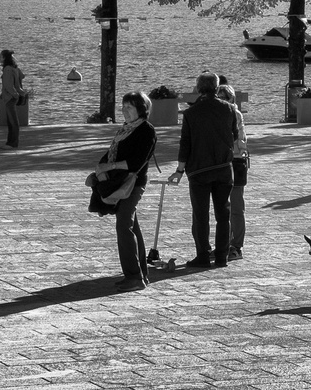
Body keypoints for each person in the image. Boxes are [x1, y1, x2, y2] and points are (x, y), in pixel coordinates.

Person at [87, 91, 158, 289]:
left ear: (141, 109)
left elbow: (136, 162)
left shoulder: (146, 130)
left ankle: (134, 277)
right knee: (131, 226)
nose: (125, 111)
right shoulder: (126, 129)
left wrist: (109, 167)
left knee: (124, 225)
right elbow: (111, 152)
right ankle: (141, 274)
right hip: (120, 182)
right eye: (123, 107)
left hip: (132, 184)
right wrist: (100, 168)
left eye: (129, 107)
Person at [170, 72, 239, 268]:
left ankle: (202, 255)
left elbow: (186, 144)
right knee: (223, 214)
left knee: (200, 215)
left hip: (199, 171)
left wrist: (180, 170)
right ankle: (221, 256)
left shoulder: (191, 113)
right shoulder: (229, 109)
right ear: (217, 88)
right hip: (224, 168)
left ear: (198, 88)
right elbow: (234, 135)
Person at [215, 84, 248, 259]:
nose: (222, 101)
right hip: (218, 164)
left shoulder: (236, 115)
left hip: (234, 163)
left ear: (232, 99)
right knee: (222, 208)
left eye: (225, 98)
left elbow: (241, 141)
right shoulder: (213, 115)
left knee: (236, 207)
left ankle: (236, 246)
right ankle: (222, 244)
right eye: (219, 98)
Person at [0, 50, 25, 148]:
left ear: (5, 58)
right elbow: (22, 76)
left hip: (10, 97)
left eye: (0, 56)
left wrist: (15, 94)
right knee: (11, 121)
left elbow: (8, 86)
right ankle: (10, 142)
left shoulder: (7, 69)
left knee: (13, 122)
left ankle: (13, 143)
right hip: (12, 97)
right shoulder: (14, 68)